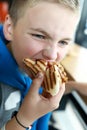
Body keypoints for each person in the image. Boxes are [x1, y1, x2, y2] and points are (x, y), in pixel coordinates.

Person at [0, 0, 80, 130]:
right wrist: (24, 119)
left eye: (63, 42)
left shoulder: (33, 69)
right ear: (10, 28)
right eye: (39, 36)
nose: (52, 55)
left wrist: (77, 87)